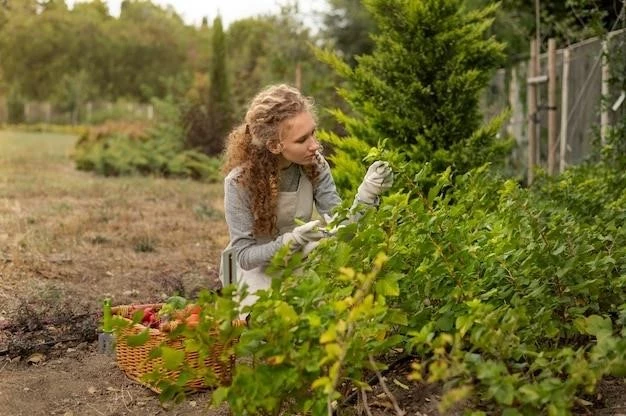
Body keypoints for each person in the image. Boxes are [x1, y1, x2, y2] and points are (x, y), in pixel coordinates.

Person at [219, 84, 393, 311]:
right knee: (266, 321)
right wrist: (290, 241)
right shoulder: (239, 182)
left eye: (313, 132)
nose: (315, 145)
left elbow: (343, 229)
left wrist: (367, 195)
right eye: (302, 140)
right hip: (255, 270)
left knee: (333, 308)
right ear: (274, 145)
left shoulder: (315, 166)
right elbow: (244, 256)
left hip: (300, 258)